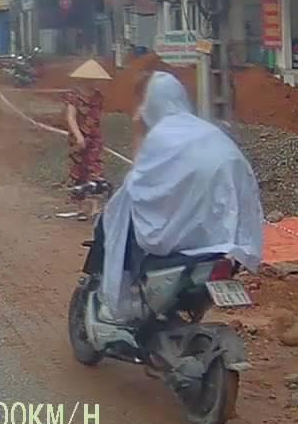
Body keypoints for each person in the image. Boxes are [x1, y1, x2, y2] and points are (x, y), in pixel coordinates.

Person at [97, 72, 264, 321]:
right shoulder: (205, 130)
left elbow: (139, 184)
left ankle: (126, 296)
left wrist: (139, 130)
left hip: (189, 231)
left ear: (151, 103)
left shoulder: (162, 135)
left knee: (121, 220)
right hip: (223, 234)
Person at [63, 59, 111, 221]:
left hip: (95, 139)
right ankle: (81, 208)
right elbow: (70, 117)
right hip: (77, 140)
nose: (96, 82)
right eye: (94, 79)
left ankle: (94, 207)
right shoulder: (73, 96)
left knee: (95, 171)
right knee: (79, 172)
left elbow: (97, 118)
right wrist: (78, 136)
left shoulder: (98, 97)